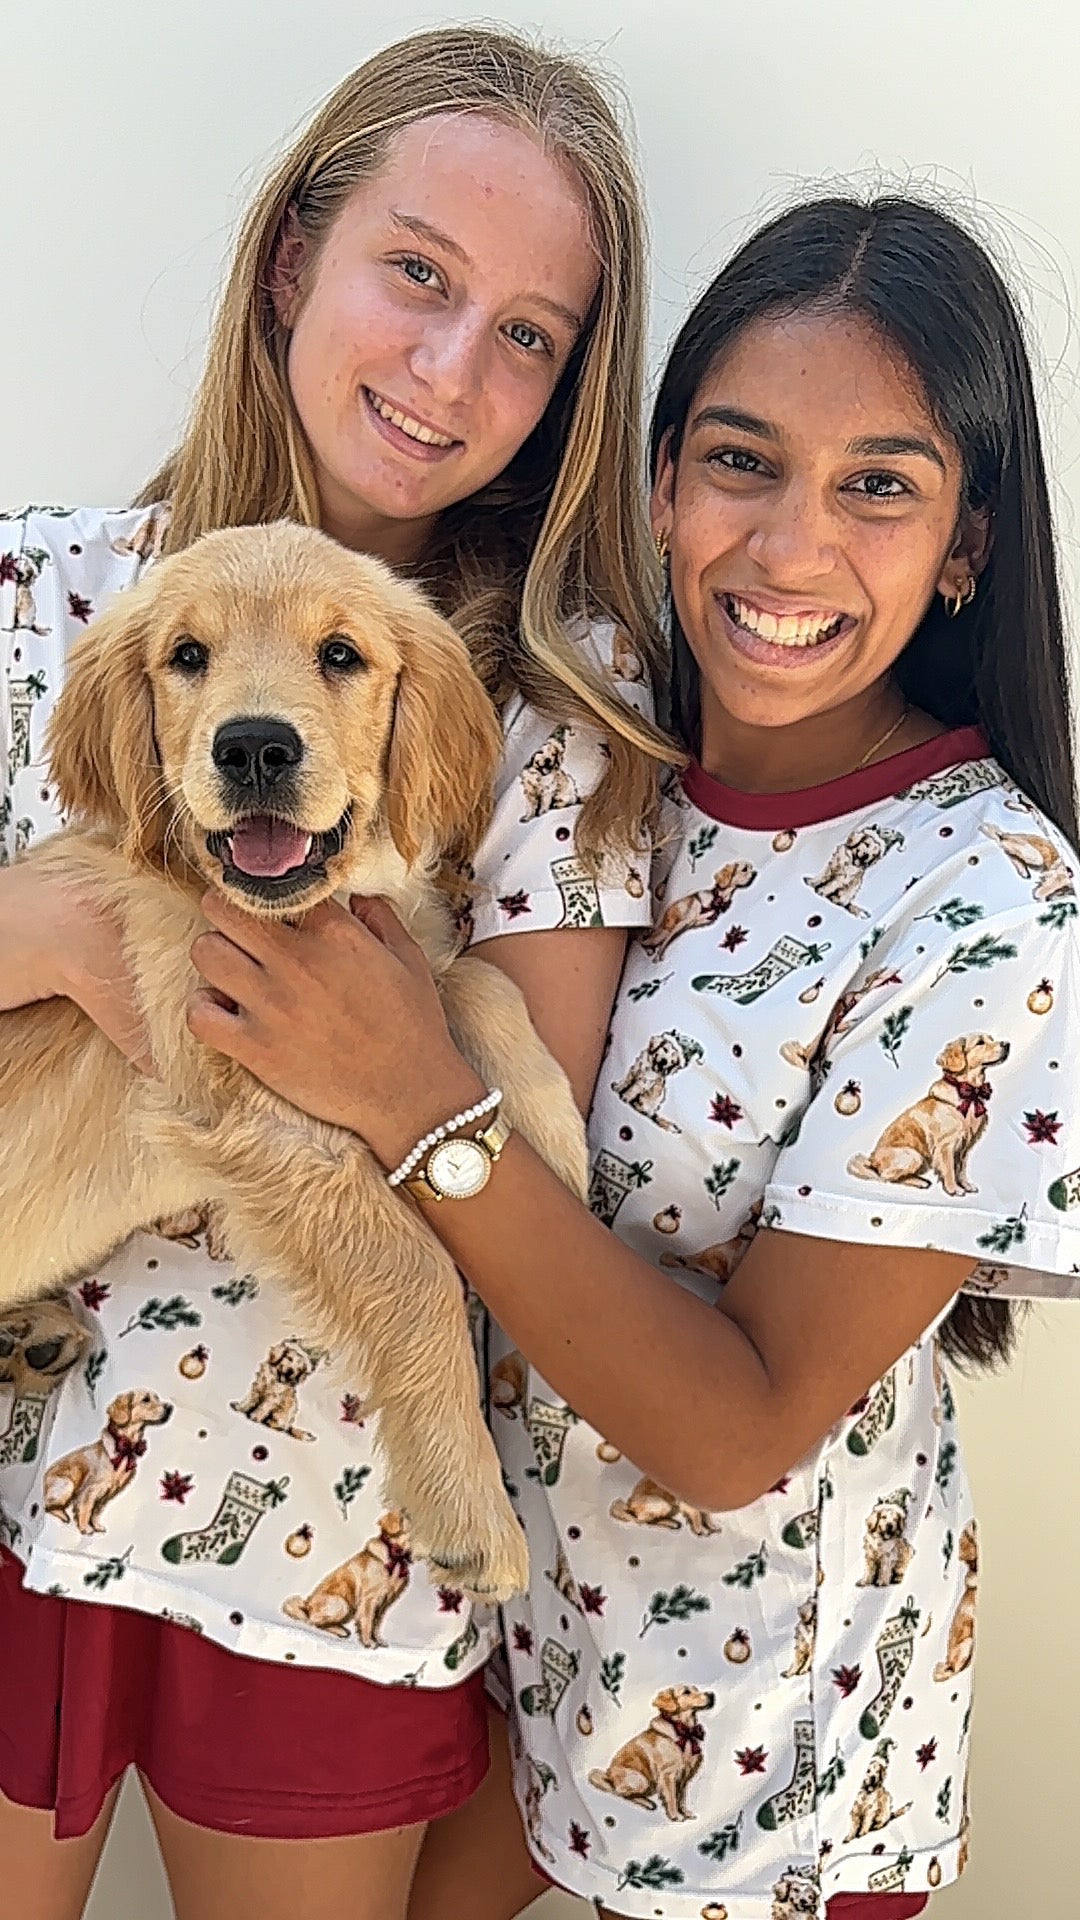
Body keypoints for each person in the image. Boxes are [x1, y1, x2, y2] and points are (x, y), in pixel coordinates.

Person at [194, 195, 1080, 1920]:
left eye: (880, 487)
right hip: (510, 1649)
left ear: (968, 542)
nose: (790, 548)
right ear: (661, 484)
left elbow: (738, 1434)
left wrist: (425, 1105)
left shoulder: (991, 900)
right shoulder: (587, 745)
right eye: (742, 462)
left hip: (763, 1760)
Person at [0, 27, 669, 1920]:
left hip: (325, 1531)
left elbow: (514, 1174)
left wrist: (428, 1060)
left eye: (527, 334)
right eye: (418, 273)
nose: (450, 369)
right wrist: (41, 931)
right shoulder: (41, 596)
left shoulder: (562, 714)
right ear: (296, 260)